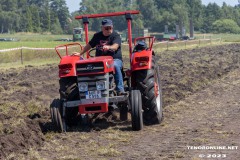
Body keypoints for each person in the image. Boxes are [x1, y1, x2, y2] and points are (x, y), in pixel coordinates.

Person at [73, 19, 127, 96]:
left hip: (114, 60)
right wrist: (80, 53)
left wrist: (108, 47)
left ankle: (120, 89)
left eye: (110, 28)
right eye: (106, 28)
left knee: (114, 65)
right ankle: (86, 90)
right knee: (87, 67)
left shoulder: (115, 36)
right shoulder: (97, 36)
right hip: (99, 61)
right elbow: (89, 45)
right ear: (102, 28)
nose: (109, 30)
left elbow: (115, 46)